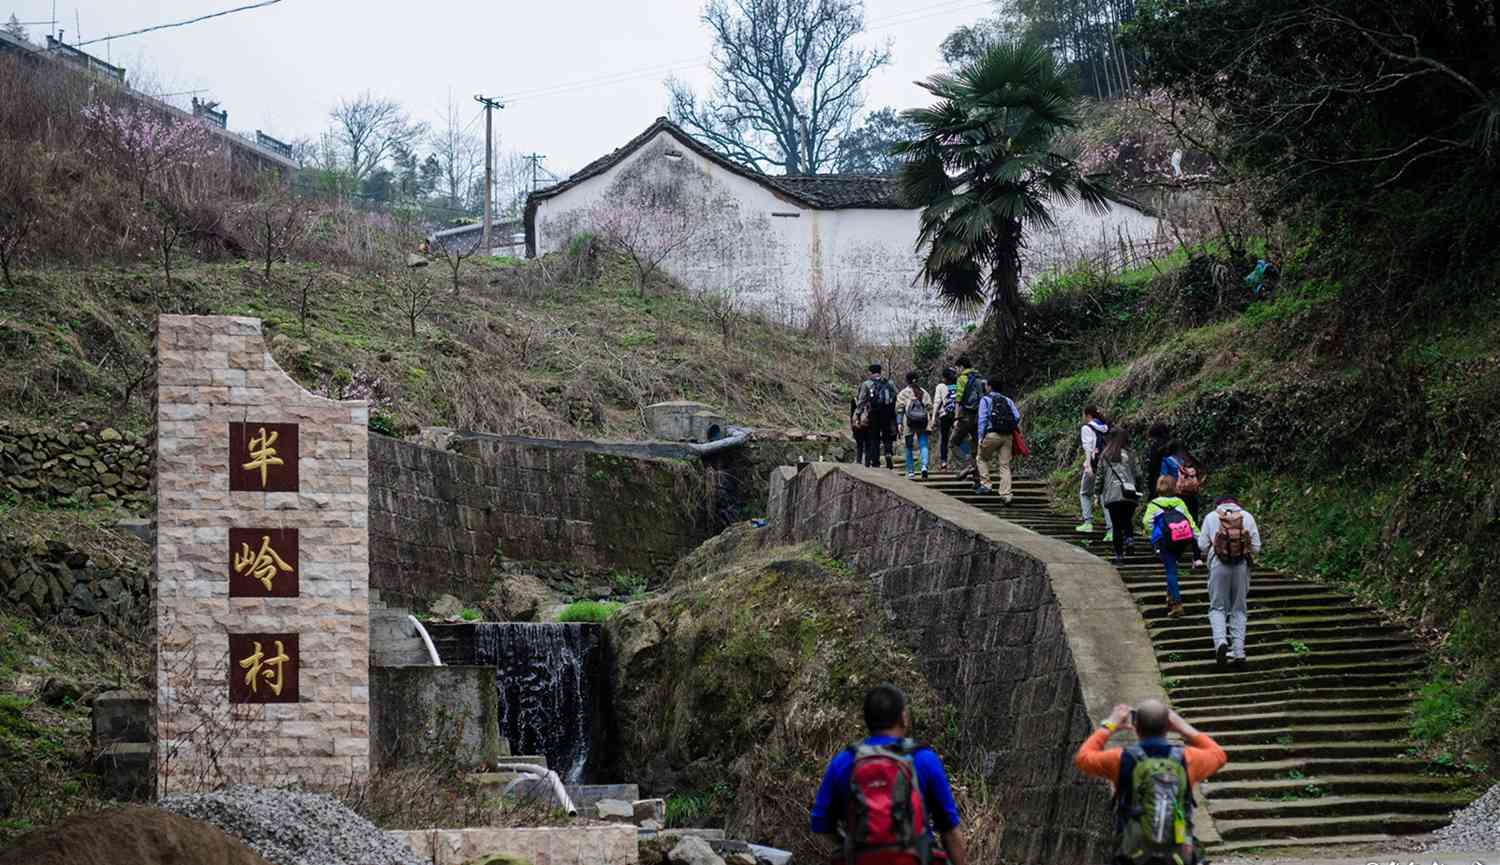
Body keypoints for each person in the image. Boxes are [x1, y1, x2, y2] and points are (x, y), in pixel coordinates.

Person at [811, 684, 969, 865]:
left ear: (867, 720)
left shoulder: (844, 761)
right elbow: (949, 831)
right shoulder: (923, 759)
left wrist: (854, 846)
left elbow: (820, 824)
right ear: (903, 718)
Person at [1075, 700, 1227, 865]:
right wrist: (1183, 727)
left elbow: (1083, 758)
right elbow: (1219, 755)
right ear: (1168, 726)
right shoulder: (1187, 758)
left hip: (1134, 855)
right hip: (1178, 855)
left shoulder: (1120, 759)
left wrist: (1111, 724)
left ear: (1136, 725)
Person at [1198, 497, 1263, 668]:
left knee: (1217, 607)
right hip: (1241, 565)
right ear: (1236, 504)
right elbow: (1256, 547)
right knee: (1239, 608)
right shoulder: (1247, 516)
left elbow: (1202, 545)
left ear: (1218, 504)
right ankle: (1239, 651)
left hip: (1218, 564)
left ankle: (1220, 642)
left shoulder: (1212, 516)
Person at [1142, 476, 1198, 618]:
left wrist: (1154, 533)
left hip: (1165, 542)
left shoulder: (1154, 504)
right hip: (1181, 540)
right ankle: (1170, 597)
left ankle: (1177, 604)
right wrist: (1198, 537)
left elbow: (1146, 522)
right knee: (1172, 567)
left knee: (1171, 571)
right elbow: (1190, 521)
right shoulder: (1180, 502)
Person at [1093, 429, 1142, 564]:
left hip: (1112, 495)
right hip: (1129, 493)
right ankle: (1130, 541)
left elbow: (1100, 477)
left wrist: (1096, 493)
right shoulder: (1131, 454)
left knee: (1116, 525)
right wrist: (1139, 489)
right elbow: (1138, 474)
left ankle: (1119, 556)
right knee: (1127, 520)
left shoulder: (1105, 455)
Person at [974, 378, 1019, 502]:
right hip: (1007, 436)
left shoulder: (986, 400)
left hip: (992, 434)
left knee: (981, 458)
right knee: (1004, 465)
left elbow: (982, 420)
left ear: (989, 387)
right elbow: (1017, 416)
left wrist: (980, 437)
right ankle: (1006, 494)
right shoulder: (1007, 400)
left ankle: (986, 484)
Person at [853, 364, 897, 470]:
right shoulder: (889, 382)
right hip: (887, 412)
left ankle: (876, 461)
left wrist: (858, 413)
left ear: (870, 372)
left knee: (874, 437)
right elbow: (896, 394)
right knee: (887, 434)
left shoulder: (867, 384)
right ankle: (888, 452)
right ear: (880, 371)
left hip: (874, 413)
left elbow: (862, 400)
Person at [1078, 407, 1113, 536]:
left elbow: (1088, 447)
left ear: (1087, 415)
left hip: (1093, 464)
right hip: (1107, 465)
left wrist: (1088, 465)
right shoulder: (1105, 428)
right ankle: (1111, 531)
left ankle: (1088, 523)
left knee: (1085, 493)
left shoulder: (1087, 428)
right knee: (1104, 496)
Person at [949, 357, 983, 480]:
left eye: (957, 368)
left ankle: (967, 464)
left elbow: (958, 400)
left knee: (953, 443)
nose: (956, 370)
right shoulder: (978, 378)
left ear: (962, 367)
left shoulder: (962, 378)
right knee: (975, 446)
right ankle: (977, 479)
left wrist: (956, 418)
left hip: (965, 416)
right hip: (978, 416)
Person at [896, 371, 933, 480]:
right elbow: (929, 407)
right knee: (923, 445)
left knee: (908, 447)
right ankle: (924, 467)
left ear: (907, 380)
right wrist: (930, 420)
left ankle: (911, 471)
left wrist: (899, 423)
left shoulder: (903, 393)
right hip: (922, 421)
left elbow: (899, 409)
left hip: (908, 422)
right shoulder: (924, 392)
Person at [934, 367, 958, 471]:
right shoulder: (959, 385)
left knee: (944, 439)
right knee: (960, 437)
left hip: (945, 415)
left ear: (944, 377)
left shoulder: (941, 386)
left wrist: (933, 418)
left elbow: (937, 402)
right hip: (958, 415)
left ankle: (944, 463)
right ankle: (967, 461)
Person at [1146, 423, 1173, 493]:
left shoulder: (1156, 447)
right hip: (1175, 482)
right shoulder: (1175, 445)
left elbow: (1152, 467)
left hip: (1160, 481)